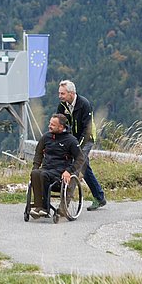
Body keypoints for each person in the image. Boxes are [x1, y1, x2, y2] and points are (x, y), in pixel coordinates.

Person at [57, 80, 107, 211]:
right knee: (84, 166)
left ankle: (65, 205)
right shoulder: (62, 105)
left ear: (71, 93)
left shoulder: (84, 104)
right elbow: (59, 124)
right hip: (73, 138)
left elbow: (87, 129)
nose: (60, 96)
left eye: (62, 93)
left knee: (76, 165)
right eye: (59, 93)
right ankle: (100, 197)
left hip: (86, 138)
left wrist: (77, 148)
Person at [29, 114, 85, 219]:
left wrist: (69, 170)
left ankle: (45, 208)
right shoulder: (46, 137)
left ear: (61, 127)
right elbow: (38, 153)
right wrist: (35, 166)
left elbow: (80, 158)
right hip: (46, 168)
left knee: (44, 175)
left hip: (60, 172)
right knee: (35, 173)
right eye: (50, 123)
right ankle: (38, 206)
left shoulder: (71, 140)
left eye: (53, 125)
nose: (49, 126)